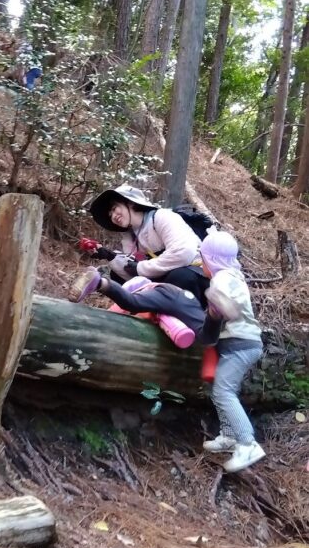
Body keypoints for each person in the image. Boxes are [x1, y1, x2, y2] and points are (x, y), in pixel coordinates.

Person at [199, 230, 265, 473]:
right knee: (224, 389)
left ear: (211, 260)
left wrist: (217, 306)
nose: (201, 263)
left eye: (202, 258)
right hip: (240, 344)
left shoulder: (222, 279)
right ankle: (229, 436)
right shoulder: (234, 276)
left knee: (223, 391)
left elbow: (230, 309)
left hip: (240, 345)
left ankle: (247, 443)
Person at [86, 184, 210, 304]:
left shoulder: (162, 217)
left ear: (130, 202)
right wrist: (110, 257)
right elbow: (132, 274)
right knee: (117, 277)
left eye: (114, 209)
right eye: (110, 215)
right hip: (168, 278)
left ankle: (195, 319)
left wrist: (140, 268)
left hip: (197, 276)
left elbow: (184, 252)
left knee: (179, 276)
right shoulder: (130, 237)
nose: (113, 216)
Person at [69, 268, 222, 349]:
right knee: (205, 338)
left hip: (171, 297)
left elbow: (128, 303)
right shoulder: (148, 290)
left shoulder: (145, 289)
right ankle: (215, 314)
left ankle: (100, 283)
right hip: (179, 298)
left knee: (131, 303)